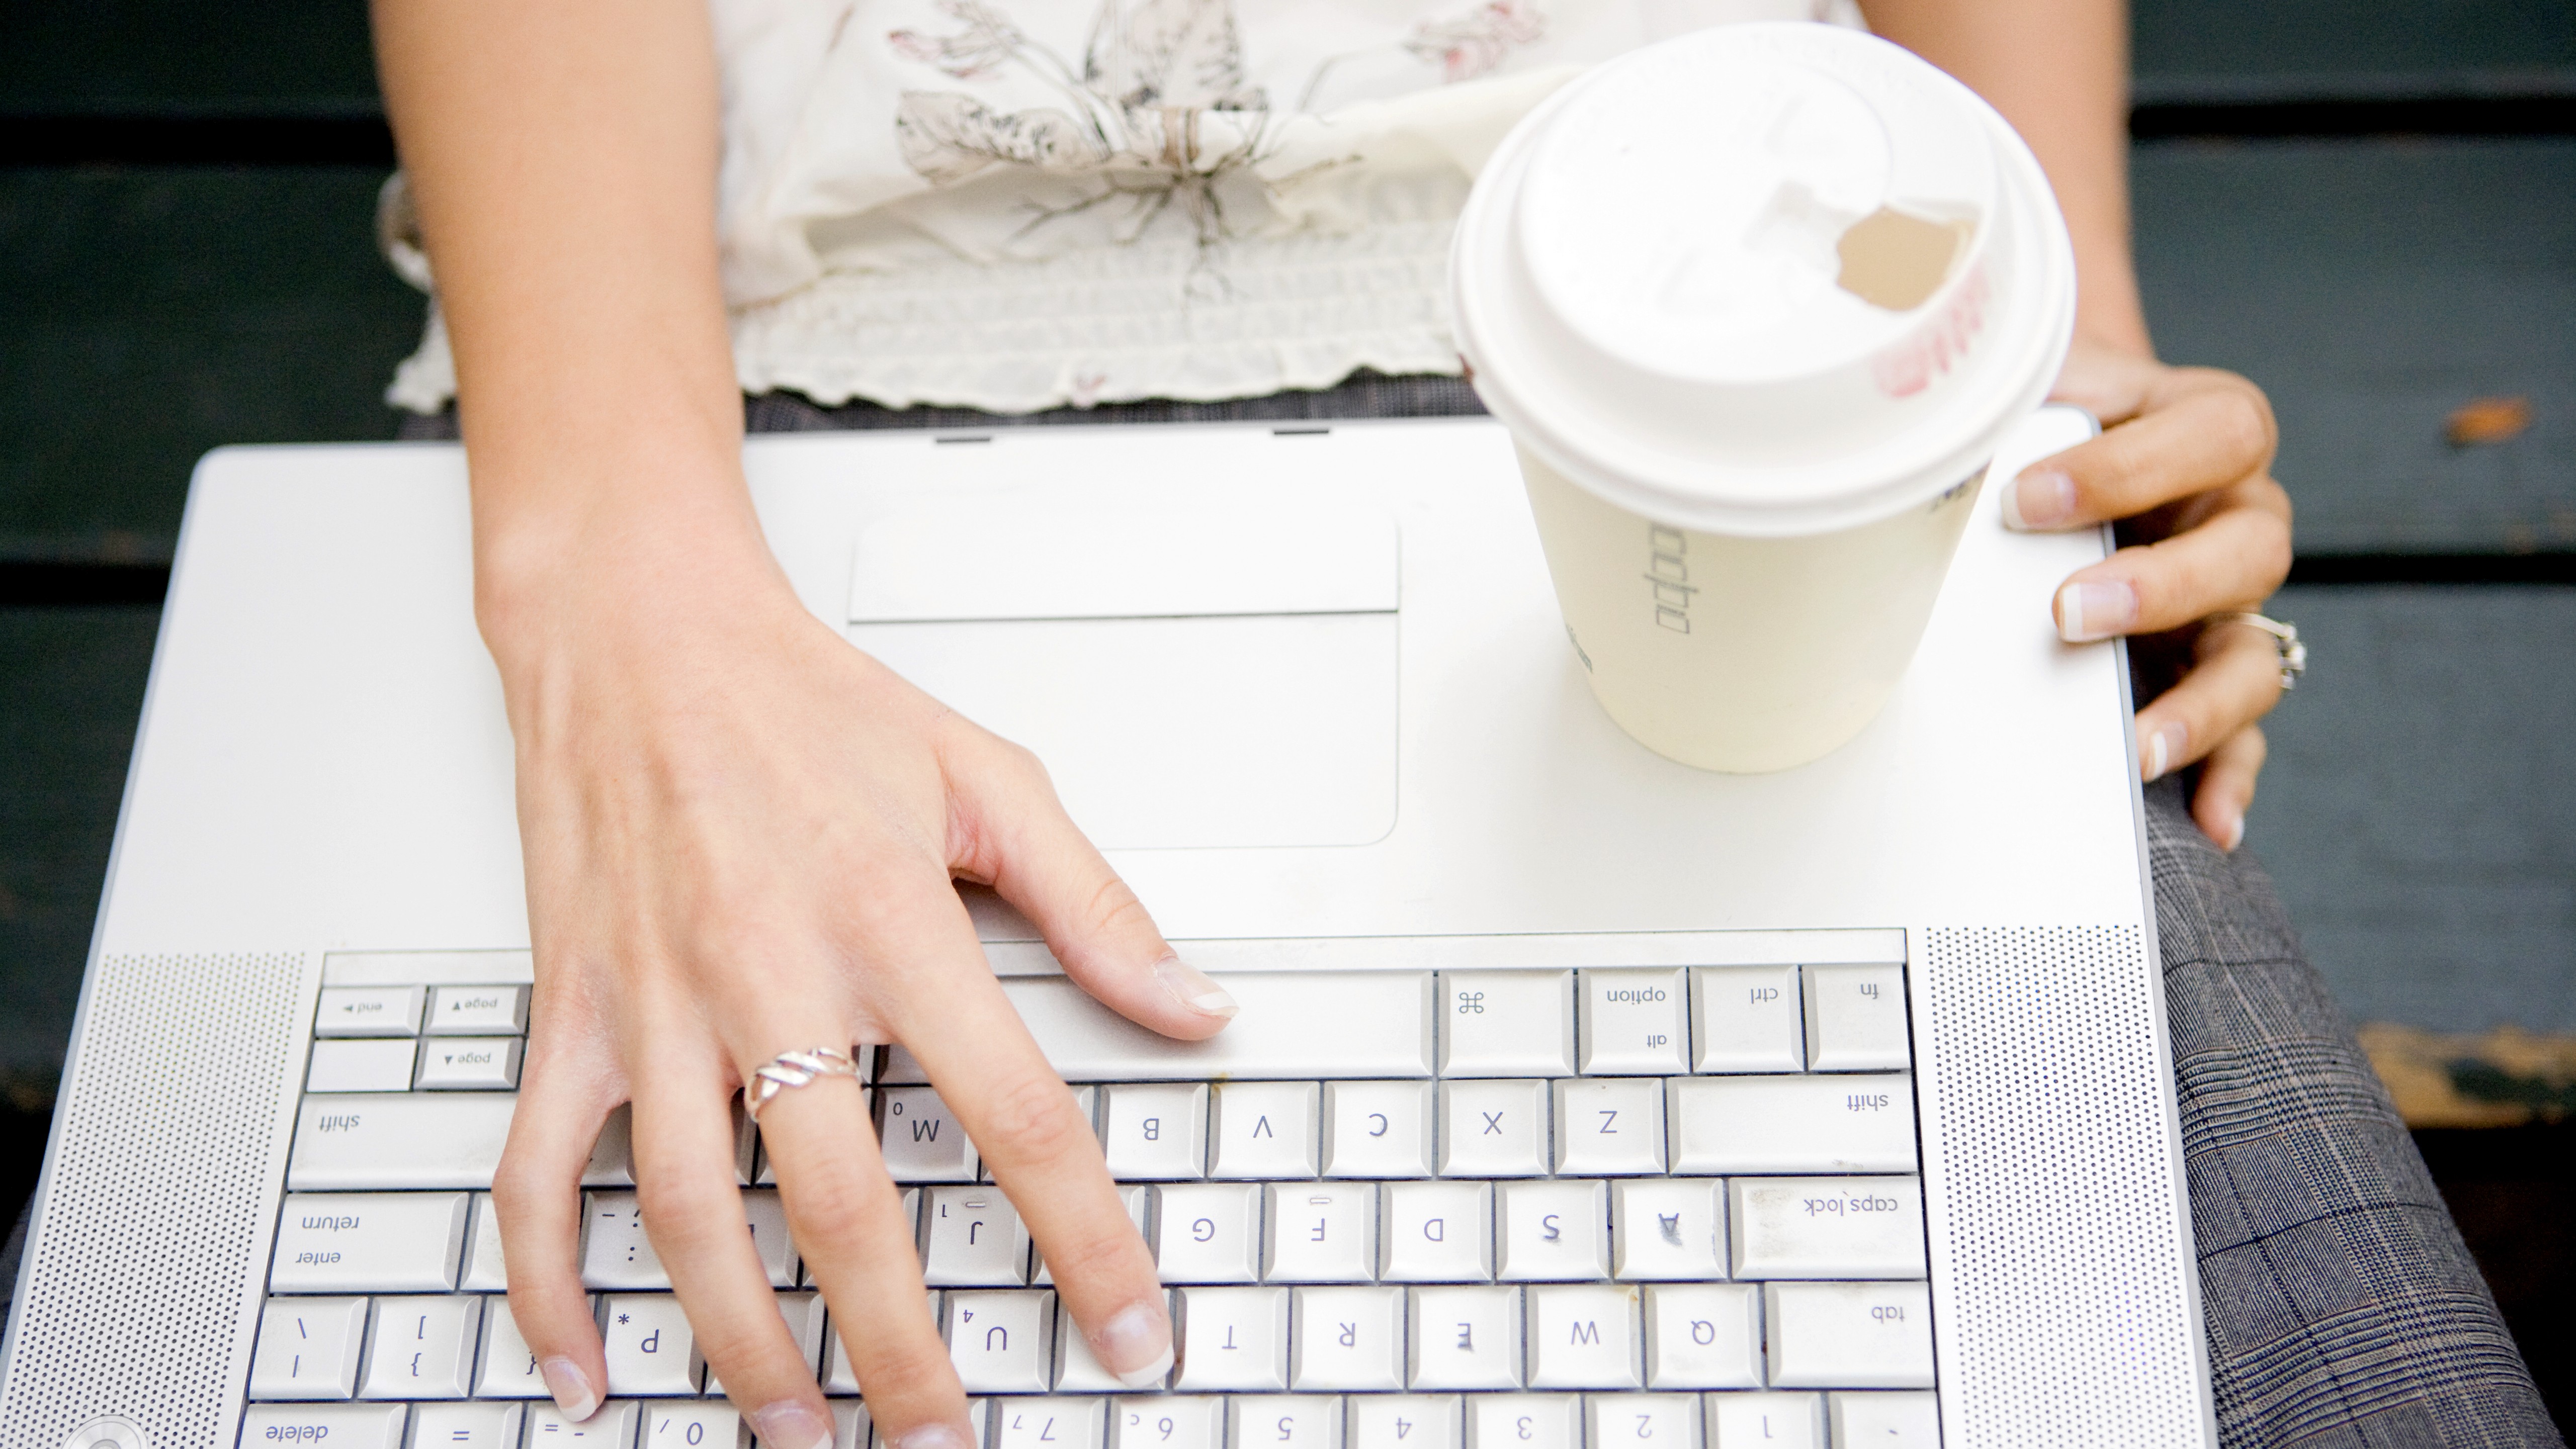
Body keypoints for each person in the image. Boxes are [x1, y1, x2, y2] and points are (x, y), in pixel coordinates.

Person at [373, 0, 2559, 1444]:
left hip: (1751, 347)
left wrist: (2037, 354)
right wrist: (616, 597)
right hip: (732, 403)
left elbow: (1985, 268)